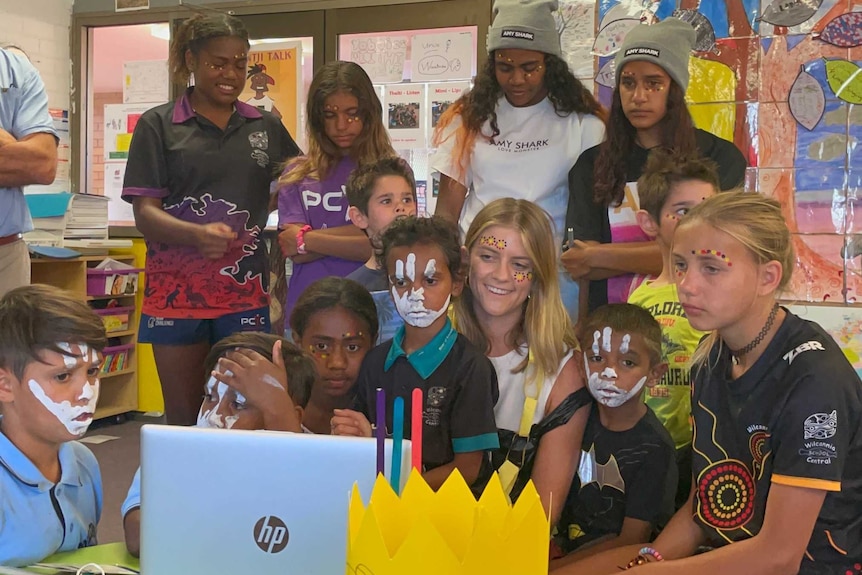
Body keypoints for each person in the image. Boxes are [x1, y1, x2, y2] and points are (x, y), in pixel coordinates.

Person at [553, 192, 862, 575]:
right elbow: (704, 504)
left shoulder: (815, 381)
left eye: (712, 268)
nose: (687, 285)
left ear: (768, 277)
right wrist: (645, 561)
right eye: (681, 265)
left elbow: (779, 556)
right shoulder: (710, 357)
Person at [121, 13, 300, 426]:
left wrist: (278, 202)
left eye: (240, 63)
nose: (231, 74)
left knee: (245, 412)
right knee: (185, 418)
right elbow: (145, 214)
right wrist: (196, 234)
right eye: (218, 63)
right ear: (191, 61)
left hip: (244, 293)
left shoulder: (265, 125)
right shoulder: (158, 125)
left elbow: (297, 179)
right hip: (176, 297)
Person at [430, 0, 606, 320]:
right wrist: (447, 269)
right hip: (480, 275)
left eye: (530, 68)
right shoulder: (468, 118)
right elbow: (446, 213)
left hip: (548, 277)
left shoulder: (584, 125)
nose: (517, 80)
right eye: (505, 66)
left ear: (550, 64)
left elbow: (591, 219)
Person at [563, 17, 747, 317]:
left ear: (674, 90)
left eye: (653, 84)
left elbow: (710, 254)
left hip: (693, 327)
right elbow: (579, 263)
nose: (638, 96)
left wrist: (600, 255)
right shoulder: (591, 164)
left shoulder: (720, 159)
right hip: (613, 332)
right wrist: (670, 252)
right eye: (628, 82)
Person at [331, 216, 500, 490]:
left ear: (457, 283)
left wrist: (398, 489)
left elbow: (468, 468)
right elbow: (362, 436)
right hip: (388, 510)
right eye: (401, 282)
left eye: (431, 280)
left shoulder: (470, 367)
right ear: (389, 286)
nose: (415, 294)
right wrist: (355, 433)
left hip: (448, 515)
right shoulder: (375, 362)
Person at [454, 198, 591, 526]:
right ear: (466, 262)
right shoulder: (430, 343)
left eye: (520, 264)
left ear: (538, 276)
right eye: (488, 257)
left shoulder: (563, 370)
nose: (501, 275)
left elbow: (540, 519)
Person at [121, 331, 316, 557]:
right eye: (209, 397)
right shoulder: (174, 451)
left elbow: (310, 540)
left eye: (239, 404)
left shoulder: (313, 461)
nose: (216, 415)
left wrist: (279, 416)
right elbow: (138, 538)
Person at [627, 150, 719, 508]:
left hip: (706, 453)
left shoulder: (723, 300)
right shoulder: (640, 298)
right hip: (650, 451)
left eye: (709, 208)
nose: (699, 222)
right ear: (649, 222)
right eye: (683, 212)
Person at [550, 303, 675, 567]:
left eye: (627, 362)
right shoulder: (575, 419)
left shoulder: (654, 447)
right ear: (579, 365)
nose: (609, 373)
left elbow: (632, 541)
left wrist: (556, 569)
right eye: (597, 358)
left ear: (655, 374)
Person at [277, 61, 397, 321]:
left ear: (369, 113)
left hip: (376, 310)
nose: (341, 125)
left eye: (352, 113)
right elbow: (292, 248)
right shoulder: (297, 174)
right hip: (308, 312)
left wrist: (307, 238)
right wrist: (364, 235)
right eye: (330, 115)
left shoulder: (391, 173)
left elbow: (388, 247)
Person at [0, 285, 107, 566]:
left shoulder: (84, 463)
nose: (86, 391)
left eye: (92, 372)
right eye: (62, 376)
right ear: (5, 385)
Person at [0, 46, 59, 297]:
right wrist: (12, 144)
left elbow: (42, 165)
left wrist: (29, 160)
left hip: (6, 255)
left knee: (12, 336)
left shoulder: (17, 71)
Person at [289, 277, 378, 435]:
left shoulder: (385, 410)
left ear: (373, 343)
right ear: (297, 341)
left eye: (352, 347)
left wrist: (370, 447)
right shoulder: (275, 404)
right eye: (321, 347)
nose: (337, 363)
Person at [345, 157, 417, 343]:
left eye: (407, 199)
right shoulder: (351, 290)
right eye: (386, 201)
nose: (401, 207)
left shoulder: (435, 275)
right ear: (359, 217)